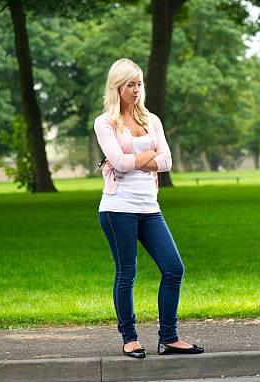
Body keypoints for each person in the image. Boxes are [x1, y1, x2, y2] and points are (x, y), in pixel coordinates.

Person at [94, 58, 204, 358]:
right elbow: (118, 163)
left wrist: (136, 159)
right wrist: (148, 154)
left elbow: (167, 162)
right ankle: (129, 338)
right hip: (118, 209)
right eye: (130, 84)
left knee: (173, 268)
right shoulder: (105, 123)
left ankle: (169, 337)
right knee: (126, 273)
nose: (136, 90)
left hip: (149, 207)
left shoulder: (151, 120)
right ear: (117, 87)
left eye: (139, 84)